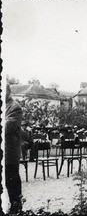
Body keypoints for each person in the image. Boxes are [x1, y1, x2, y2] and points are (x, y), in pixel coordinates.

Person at [5, 84, 23, 214]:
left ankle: (16, 206)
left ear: (8, 92)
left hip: (9, 152)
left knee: (11, 181)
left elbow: (7, 127)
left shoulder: (15, 107)